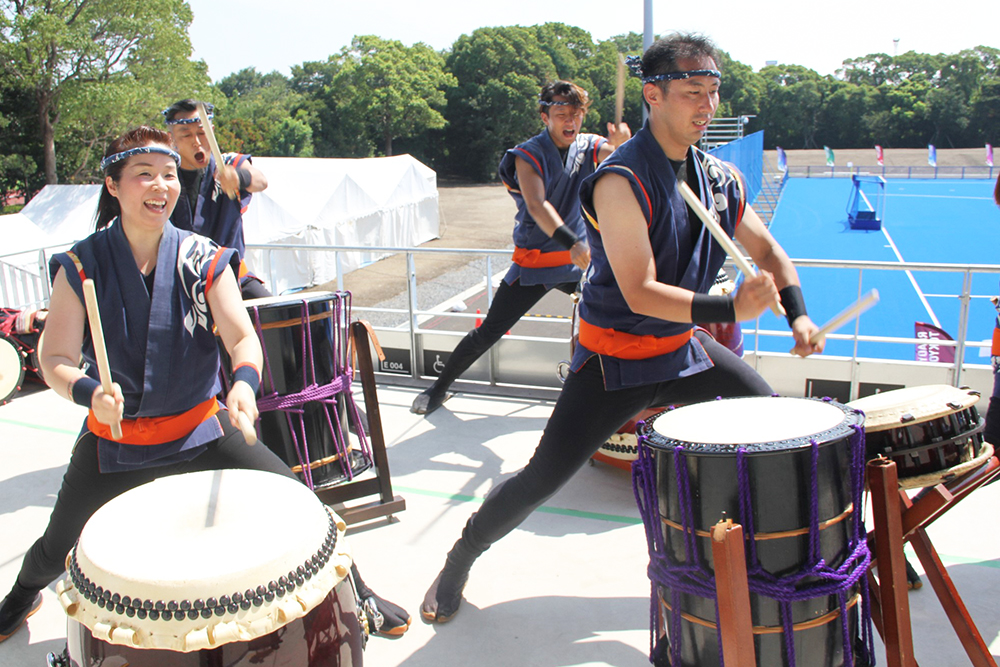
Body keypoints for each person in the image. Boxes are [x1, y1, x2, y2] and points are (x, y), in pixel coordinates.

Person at [420, 33, 824, 624]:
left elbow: (772, 254)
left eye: (712, 92)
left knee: (776, 428)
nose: (706, 106)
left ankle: (812, 555)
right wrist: (730, 312)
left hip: (685, 349)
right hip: (616, 362)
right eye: (692, 93)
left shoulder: (720, 178)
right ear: (653, 95)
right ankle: (460, 557)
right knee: (539, 480)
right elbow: (640, 290)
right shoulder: (620, 178)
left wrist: (799, 314)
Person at [0, 127, 408, 645]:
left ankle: (360, 592)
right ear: (113, 185)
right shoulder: (82, 265)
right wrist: (87, 393)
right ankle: (19, 597)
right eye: (143, 174)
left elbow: (241, 337)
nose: (161, 186)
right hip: (117, 439)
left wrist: (242, 385)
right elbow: (54, 357)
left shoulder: (203, 257)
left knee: (303, 503)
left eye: (169, 175)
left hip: (201, 427)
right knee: (59, 543)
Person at [411, 81, 630, 415]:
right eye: (561, 114)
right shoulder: (527, 154)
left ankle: (613, 397)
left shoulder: (589, 146)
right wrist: (572, 242)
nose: (570, 121)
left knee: (621, 312)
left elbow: (614, 157)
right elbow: (538, 205)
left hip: (578, 262)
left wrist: (622, 148)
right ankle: (438, 388)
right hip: (538, 263)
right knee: (489, 331)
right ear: (545, 116)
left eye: (576, 114)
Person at [164, 99, 271, 299]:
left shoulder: (227, 164)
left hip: (231, 276)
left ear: (212, 131)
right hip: (181, 283)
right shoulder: (164, 177)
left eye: (202, 132)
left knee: (285, 316)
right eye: (186, 135)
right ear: (172, 140)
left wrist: (238, 177)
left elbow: (260, 181)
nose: (197, 141)